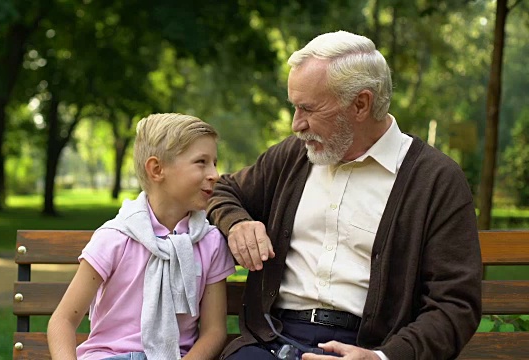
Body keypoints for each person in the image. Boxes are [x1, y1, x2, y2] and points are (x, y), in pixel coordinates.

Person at [207, 30, 482, 360]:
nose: (297, 124)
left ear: (361, 104)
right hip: (272, 341)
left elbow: (455, 304)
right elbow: (223, 190)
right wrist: (237, 223)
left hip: (368, 347)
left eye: (308, 109)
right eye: (294, 108)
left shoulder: (436, 180)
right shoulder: (292, 157)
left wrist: (384, 358)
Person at [48, 113, 236, 360]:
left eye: (214, 162)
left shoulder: (210, 243)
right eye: (201, 162)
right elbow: (62, 320)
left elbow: (214, 331)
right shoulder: (115, 238)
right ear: (157, 169)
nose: (215, 173)